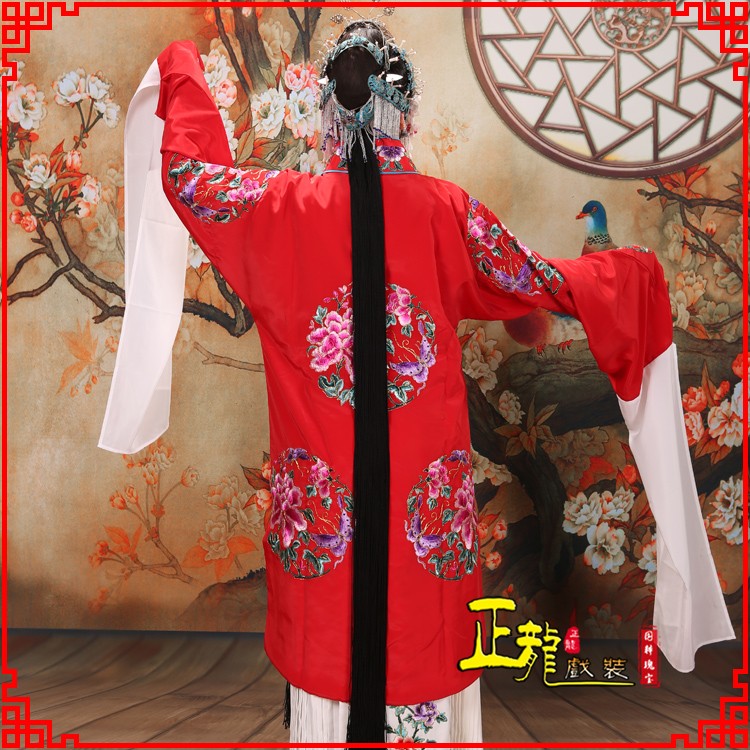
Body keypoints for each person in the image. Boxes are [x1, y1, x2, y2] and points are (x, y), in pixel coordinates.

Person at [98, 16, 735, 748]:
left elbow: (185, 177)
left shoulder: (277, 207)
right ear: (405, 114)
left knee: (330, 669)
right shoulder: (446, 210)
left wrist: (181, 69)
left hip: (323, 525)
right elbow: (545, 282)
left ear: (327, 114)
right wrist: (629, 275)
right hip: (425, 523)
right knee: (427, 659)